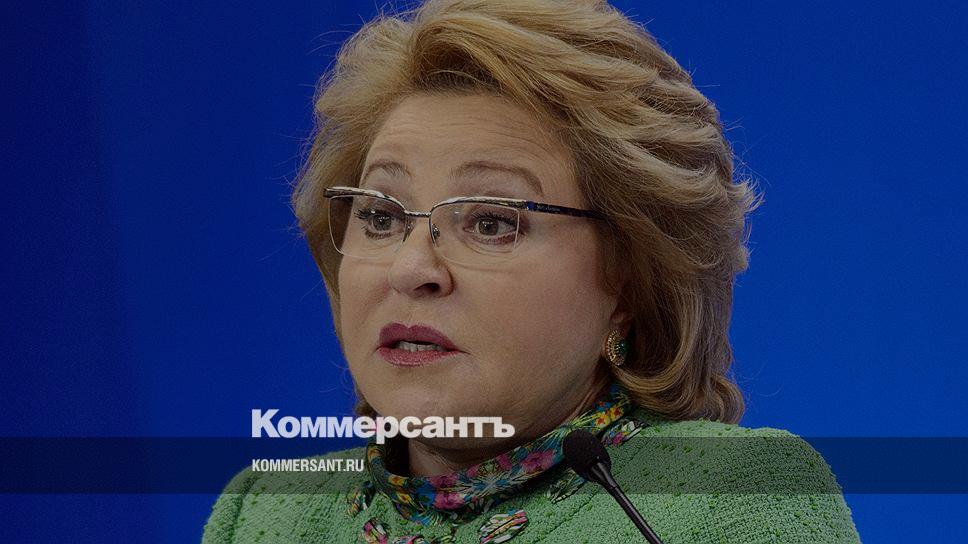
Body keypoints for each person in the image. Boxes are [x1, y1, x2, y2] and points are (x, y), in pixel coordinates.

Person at [203, 0, 862, 542]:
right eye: (380, 215)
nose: (411, 268)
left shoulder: (727, 500)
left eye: (491, 223)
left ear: (631, 279)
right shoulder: (265, 514)